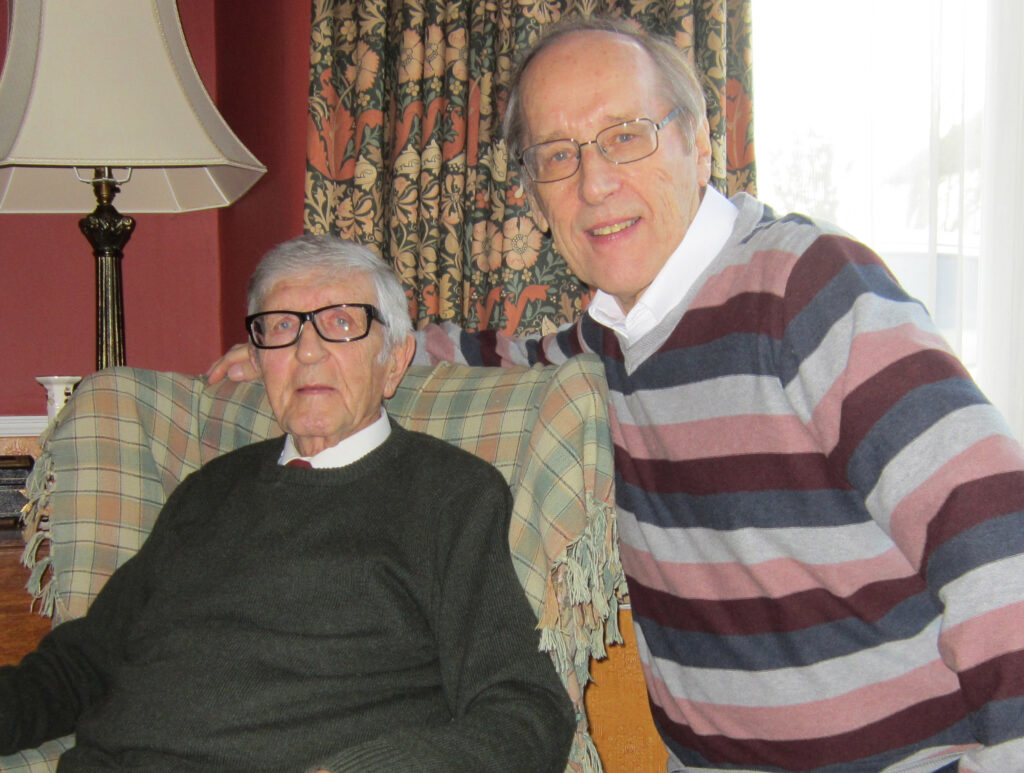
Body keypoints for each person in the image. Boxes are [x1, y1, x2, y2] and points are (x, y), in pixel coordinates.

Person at [207, 16, 1024, 773]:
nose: (594, 182)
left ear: (698, 145)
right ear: (533, 195)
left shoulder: (804, 287)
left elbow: (997, 534)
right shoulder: (606, 341)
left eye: (624, 137)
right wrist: (316, 345)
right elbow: (494, 354)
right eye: (557, 155)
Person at [1, 235, 575, 772]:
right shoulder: (208, 490)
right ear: (260, 358)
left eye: (341, 324)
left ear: (395, 361)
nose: (306, 352)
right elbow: (80, 665)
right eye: (280, 328)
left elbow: (525, 710)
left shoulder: (450, 496)